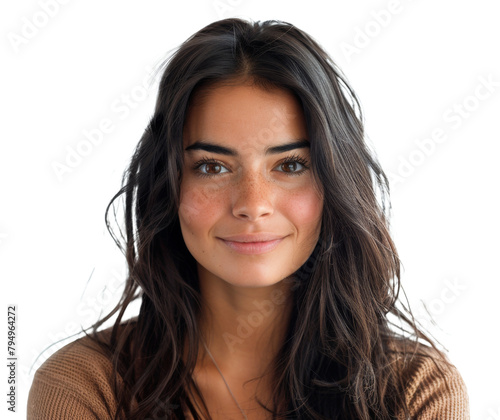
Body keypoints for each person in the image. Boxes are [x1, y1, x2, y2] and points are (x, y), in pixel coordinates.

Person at [27, 18, 469, 419]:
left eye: (291, 165)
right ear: (168, 186)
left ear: (336, 182)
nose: (252, 204)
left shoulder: (414, 391)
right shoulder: (84, 386)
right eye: (212, 167)